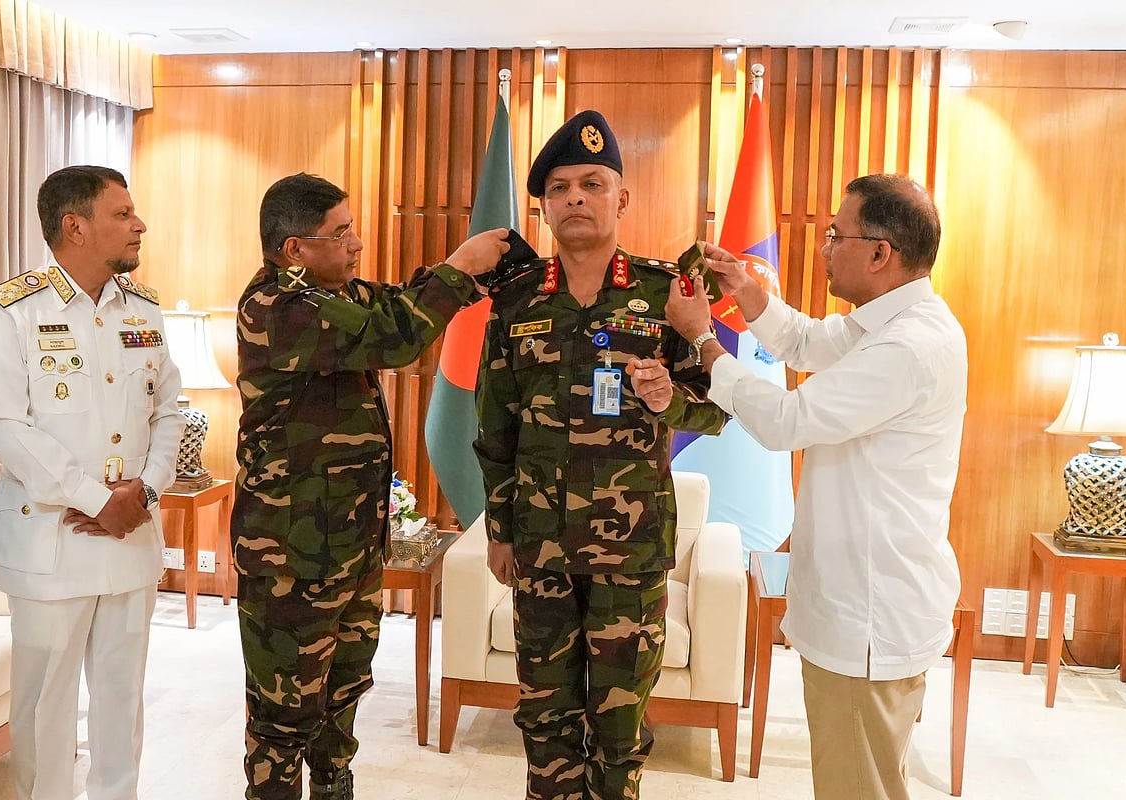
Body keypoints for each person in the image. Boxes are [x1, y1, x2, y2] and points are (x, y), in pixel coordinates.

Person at [660, 173, 967, 799]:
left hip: (871, 616)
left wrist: (700, 339)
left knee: (857, 786)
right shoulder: (887, 320)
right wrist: (746, 291)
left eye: (836, 235)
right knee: (865, 776)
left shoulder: (908, 346)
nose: (824, 248)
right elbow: (806, 342)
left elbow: (784, 422)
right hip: (866, 603)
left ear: (881, 252)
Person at [473, 110, 727, 800]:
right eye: (560, 187)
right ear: (546, 206)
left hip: (630, 551)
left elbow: (719, 406)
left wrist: (664, 399)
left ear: (622, 198)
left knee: (619, 737)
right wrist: (499, 531)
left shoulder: (664, 293)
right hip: (539, 550)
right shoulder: (516, 301)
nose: (575, 197)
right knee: (546, 727)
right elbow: (494, 433)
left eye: (592, 182)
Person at [232, 172, 508, 800]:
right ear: (294, 249)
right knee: (284, 713)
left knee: (343, 690)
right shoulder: (278, 307)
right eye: (341, 232)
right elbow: (396, 335)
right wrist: (461, 266)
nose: (356, 243)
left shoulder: (333, 292)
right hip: (289, 553)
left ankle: (334, 786)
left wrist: (457, 277)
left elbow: (391, 305)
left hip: (352, 539)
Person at [0, 165, 185, 800]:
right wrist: (99, 502)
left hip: (130, 540)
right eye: (123, 214)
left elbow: (169, 409)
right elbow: (6, 427)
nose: (139, 224)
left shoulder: (142, 309)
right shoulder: (8, 312)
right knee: (44, 710)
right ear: (75, 226)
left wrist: (143, 493)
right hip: (49, 542)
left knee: (123, 702)